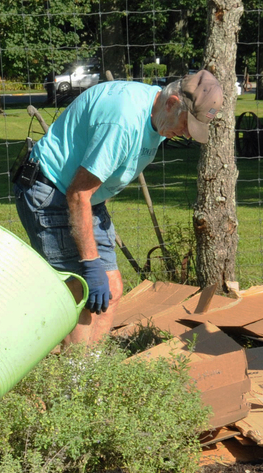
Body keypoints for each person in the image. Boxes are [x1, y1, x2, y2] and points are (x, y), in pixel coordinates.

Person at [12, 70, 224, 344]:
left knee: (111, 288)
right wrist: (90, 262)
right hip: (51, 191)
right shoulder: (124, 122)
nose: (183, 134)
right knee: (81, 292)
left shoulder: (160, 114)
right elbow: (78, 193)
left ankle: (93, 369)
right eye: (185, 125)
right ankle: (75, 380)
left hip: (86, 196)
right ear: (172, 103)